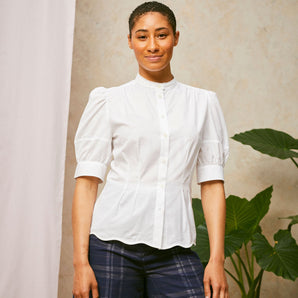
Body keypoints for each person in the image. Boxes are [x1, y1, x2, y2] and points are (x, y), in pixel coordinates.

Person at [72, 1, 230, 298]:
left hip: (175, 248)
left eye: (162, 34)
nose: (153, 45)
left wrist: (217, 260)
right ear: (130, 41)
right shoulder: (109, 101)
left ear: (176, 38)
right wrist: (81, 263)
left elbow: (211, 184)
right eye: (142, 36)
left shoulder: (203, 104)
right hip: (111, 246)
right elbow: (87, 183)